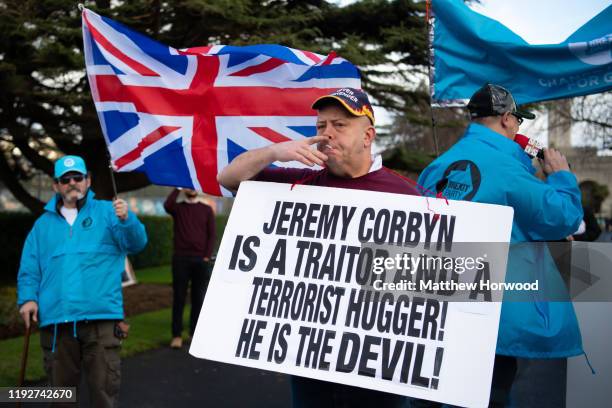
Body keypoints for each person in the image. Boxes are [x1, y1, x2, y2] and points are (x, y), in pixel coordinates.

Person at [218, 87, 420, 407]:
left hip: (377, 367)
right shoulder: (299, 183)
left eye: (339, 125)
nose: (327, 134)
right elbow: (228, 178)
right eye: (320, 126)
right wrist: (274, 152)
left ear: (367, 136)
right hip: (312, 361)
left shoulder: (409, 196)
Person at [417, 84, 584, 407]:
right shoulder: (508, 170)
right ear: (507, 119)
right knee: (488, 394)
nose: (519, 128)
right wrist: (562, 177)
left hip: (437, 307)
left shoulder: (436, 167)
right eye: (518, 121)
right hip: (493, 313)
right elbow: (563, 218)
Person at [17, 155, 148, 407]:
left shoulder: (109, 212)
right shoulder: (41, 226)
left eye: (78, 177)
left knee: (103, 395)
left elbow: (136, 243)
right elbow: (29, 269)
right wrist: (28, 299)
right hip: (57, 323)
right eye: (65, 179)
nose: (72, 183)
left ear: (88, 180)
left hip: (101, 320)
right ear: (56, 185)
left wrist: (127, 219)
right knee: (62, 399)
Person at [164, 188, 216, 349]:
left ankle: (194, 334)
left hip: (201, 260)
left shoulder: (206, 209)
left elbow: (211, 235)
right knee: (179, 298)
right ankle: (177, 335)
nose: (190, 189)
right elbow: (167, 205)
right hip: (181, 259)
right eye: (187, 186)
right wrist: (178, 186)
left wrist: (206, 256)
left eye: (191, 185)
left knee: (198, 299)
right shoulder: (178, 208)